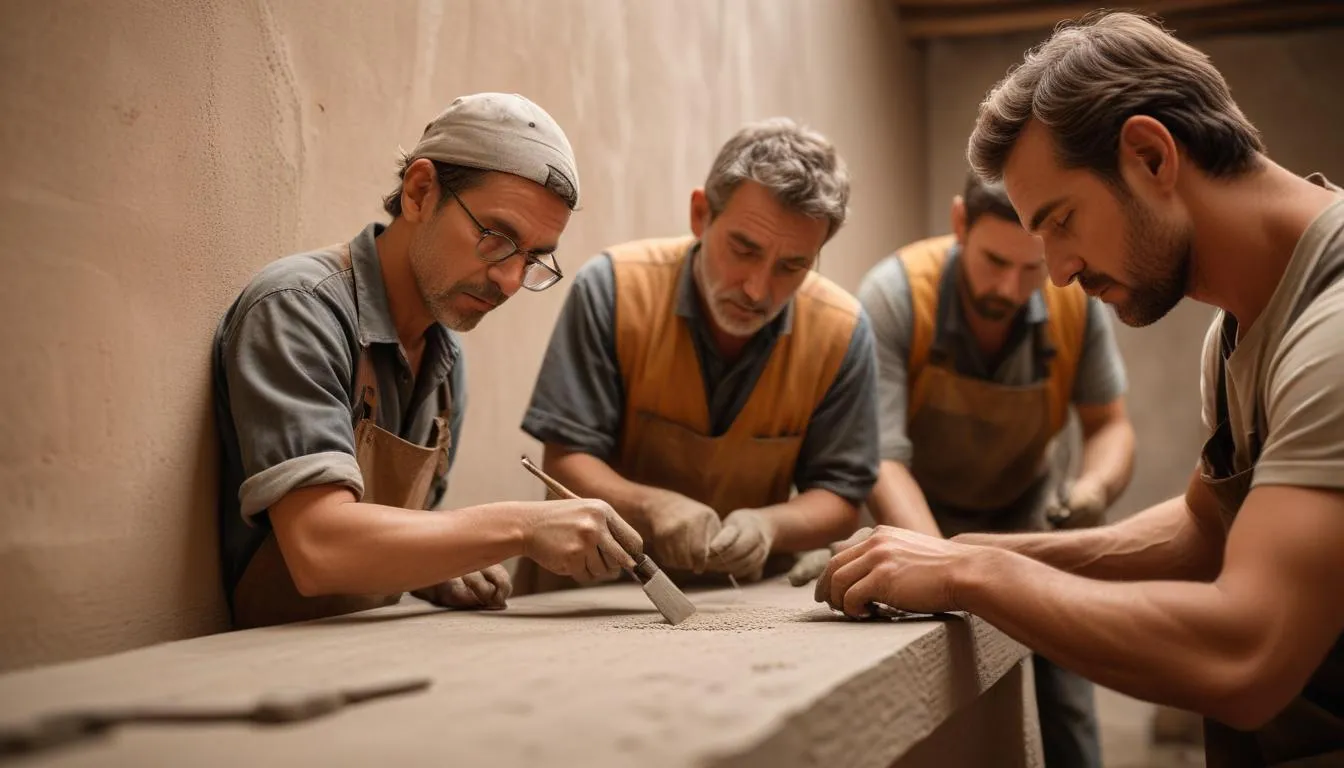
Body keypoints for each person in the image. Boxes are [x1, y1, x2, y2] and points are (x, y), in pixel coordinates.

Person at [811, 11, 1344, 767]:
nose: (1055, 274)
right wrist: (966, 555)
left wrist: (973, 570)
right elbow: (1202, 533)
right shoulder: (1238, 328)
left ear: (1151, 156)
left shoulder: (1334, 326)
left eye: (1061, 223)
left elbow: (1246, 656)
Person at [213, 93, 644, 629]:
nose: (510, 281)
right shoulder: (298, 309)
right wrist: (521, 528)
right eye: (496, 238)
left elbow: (382, 534)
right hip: (267, 668)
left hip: (370, 652)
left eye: (533, 258)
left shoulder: (445, 361)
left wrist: (432, 568)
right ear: (420, 192)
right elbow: (318, 545)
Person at [793, 171, 1134, 768]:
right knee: (944, 679)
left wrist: (1093, 489)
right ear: (959, 224)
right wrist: (939, 562)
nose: (1009, 286)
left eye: (1030, 269)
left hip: (1030, 513)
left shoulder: (1072, 301)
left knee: (1065, 684)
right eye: (994, 261)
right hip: (923, 512)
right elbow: (883, 459)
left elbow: (1110, 426)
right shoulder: (897, 295)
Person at [517, 118, 878, 591]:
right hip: (592, 588)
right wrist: (652, 507)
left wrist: (771, 525)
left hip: (741, 600)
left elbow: (840, 495)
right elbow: (565, 460)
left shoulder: (842, 331)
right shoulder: (613, 289)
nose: (757, 289)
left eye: (793, 266)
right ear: (700, 214)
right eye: (743, 249)